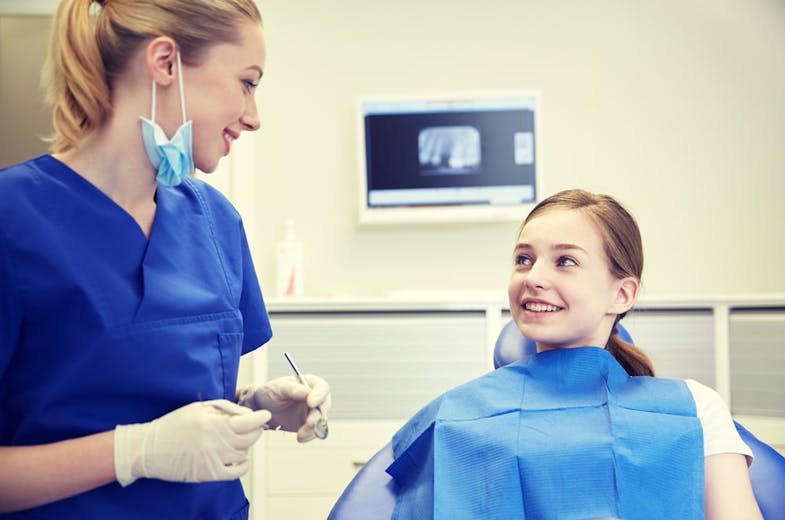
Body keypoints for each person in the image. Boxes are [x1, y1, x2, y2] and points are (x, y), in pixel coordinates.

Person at [0, 0, 331, 517]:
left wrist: (252, 406)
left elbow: (162, 395)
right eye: (247, 83)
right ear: (165, 63)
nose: (254, 117)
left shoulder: (216, 221)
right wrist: (135, 452)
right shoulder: (13, 218)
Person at [385, 189, 762, 519]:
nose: (534, 277)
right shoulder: (455, 416)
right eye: (524, 259)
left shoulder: (692, 409)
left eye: (565, 261)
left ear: (622, 295)